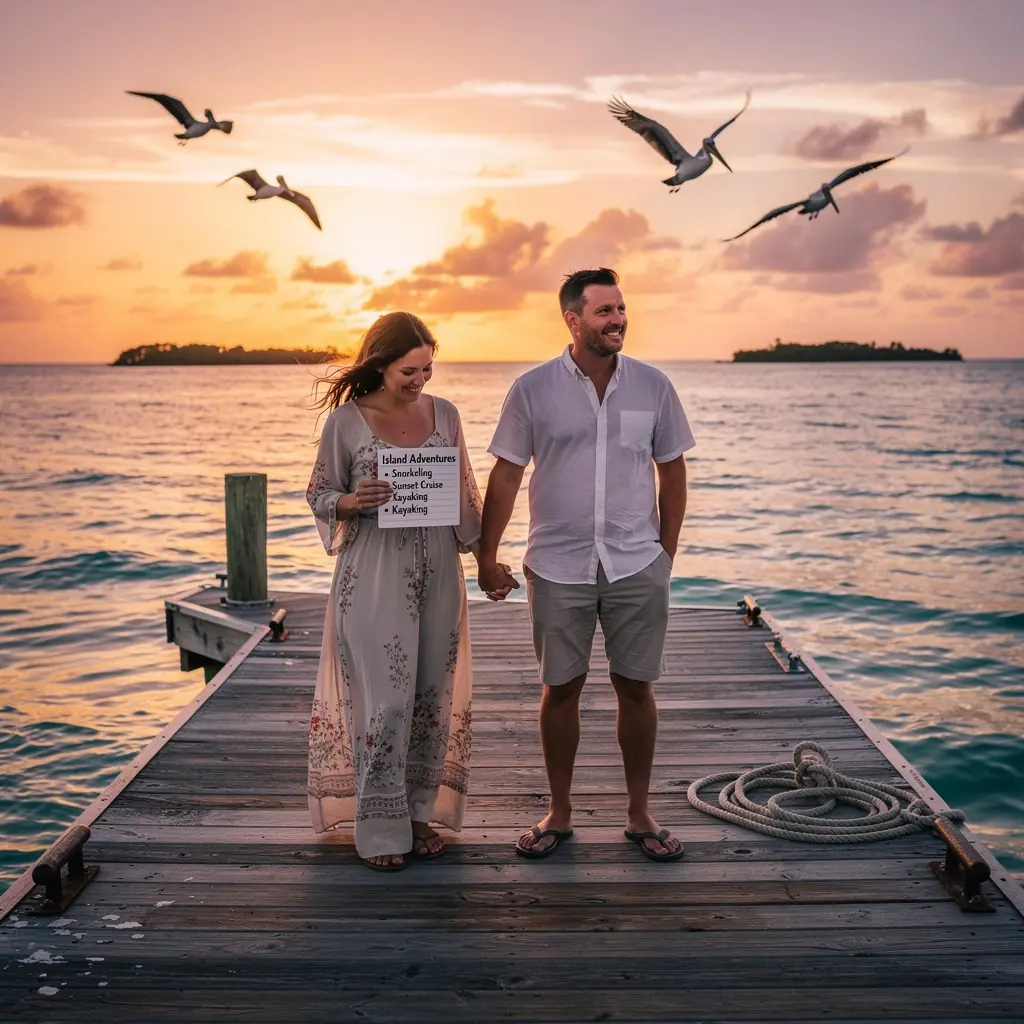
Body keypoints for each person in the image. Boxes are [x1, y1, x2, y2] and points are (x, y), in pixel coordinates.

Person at [477, 268, 695, 862]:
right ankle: (560, 812)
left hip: (635, 563)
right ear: (572, 319)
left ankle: (639, 813)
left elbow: (672, 472)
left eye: (621, 308)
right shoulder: (531, 389)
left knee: (636, 688)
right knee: (560, 689)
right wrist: (486, 554)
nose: (618, 319)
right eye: (604, 311)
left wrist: (664, 554)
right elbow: (506, 473)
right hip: (557, 563)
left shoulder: (654, 387)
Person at [305, 311, 511, 871]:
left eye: (427, 369)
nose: (420, 380)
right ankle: (378, 827)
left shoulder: (446, 414)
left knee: (430, 700)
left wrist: (488, 560)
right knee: (386, 703)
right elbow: (320, 493)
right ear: (380, 363)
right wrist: (353, 501)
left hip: (440, 574)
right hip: (371, 576)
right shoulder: (346, 423)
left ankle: (420, 817)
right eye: (409, 371)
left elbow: (466, 495)